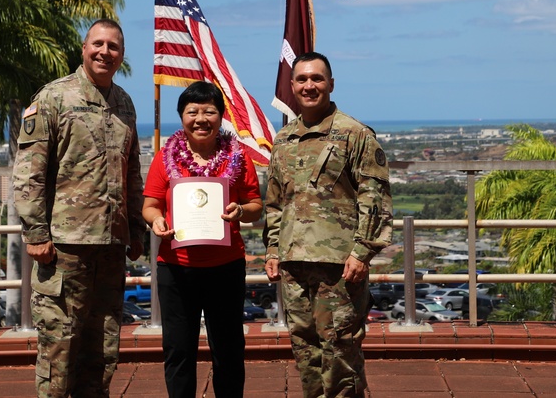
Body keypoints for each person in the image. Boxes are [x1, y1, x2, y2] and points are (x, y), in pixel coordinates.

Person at [12, 18, 145, 398]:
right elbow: (28, 172)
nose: (105, 52)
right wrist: (36, 233)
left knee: (102, 351)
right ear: (84, 49)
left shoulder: (124, 104)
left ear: (121, 55)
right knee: (59, 350)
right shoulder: (55, 98)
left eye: (114, 47)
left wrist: (135, 230)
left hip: (110, 247)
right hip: (64, 247)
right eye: (98, 44)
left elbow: (131, 170)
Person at [264, 52, 393, 398]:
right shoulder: (284, 139)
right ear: (291, 87)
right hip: (294, 263)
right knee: (305, 350)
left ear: (331, 84)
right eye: (302, 79)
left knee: (340, 349)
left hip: (339, 265)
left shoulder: (354, 134)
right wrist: (273, 250)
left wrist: (362, 252)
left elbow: (374, 198)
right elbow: (276, 202)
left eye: (317, 79)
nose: (309, 86)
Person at [142, 81, 263, 398]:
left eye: (209, 111)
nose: (200, 118)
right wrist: (157, 221)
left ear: (221, 116)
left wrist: (241, 211)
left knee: (228, 350)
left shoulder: (238, 157)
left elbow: (256, 206)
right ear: (181, 116)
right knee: (179, 350)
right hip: (176, 267)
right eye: (192, 111)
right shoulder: (164, 157)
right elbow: (150, 205)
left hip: (226, 266)